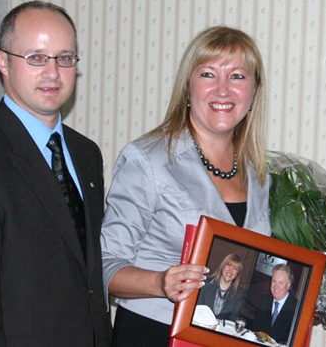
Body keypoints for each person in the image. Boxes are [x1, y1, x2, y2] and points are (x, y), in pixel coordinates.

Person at [0, 1, 111, 346]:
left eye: (65, 58)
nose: (53, 73)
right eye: (36, 57)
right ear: (3, 62)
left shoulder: (87, 155)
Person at [101, 26, 271, 346]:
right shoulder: (147, 160)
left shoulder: (260, 175)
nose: (223, 90)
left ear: (254, 92)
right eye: (208, 74)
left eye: (237, 76)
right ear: (187, 87)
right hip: (154, 334)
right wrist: (160, 282)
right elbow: (105, 266)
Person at [249, 264, 298, 344]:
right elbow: (256, 330)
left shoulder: (296, 307)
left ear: (288, 286)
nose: (276, 286)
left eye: (280, 283)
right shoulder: (264, 301)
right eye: (274, 281)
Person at [197, 253, 245, 321]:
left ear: (238, 273)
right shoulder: (205, 284)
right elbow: (197, 310)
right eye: (228, 265)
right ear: (222, 266)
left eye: (235, 268)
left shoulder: (239, 293)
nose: (230, 270)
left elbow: (233, 320)